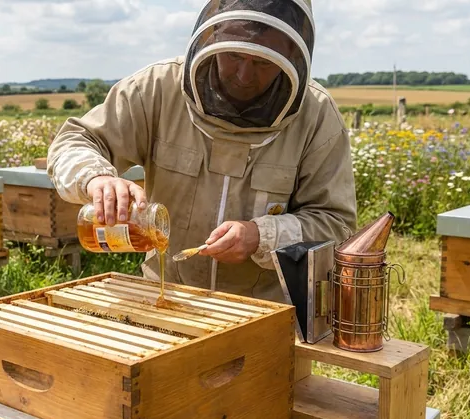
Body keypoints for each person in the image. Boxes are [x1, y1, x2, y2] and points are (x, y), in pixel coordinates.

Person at [47, 0, 357, 303]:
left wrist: (262, 236)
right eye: (234, 55)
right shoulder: (157, 88)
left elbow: (336, 226)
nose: (244, 76)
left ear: (292, 53)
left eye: (263, 62)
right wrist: (97, 178)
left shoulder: (317, 116)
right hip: (166, 299)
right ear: (215, 33)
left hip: (266, 311)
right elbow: (75, 139)